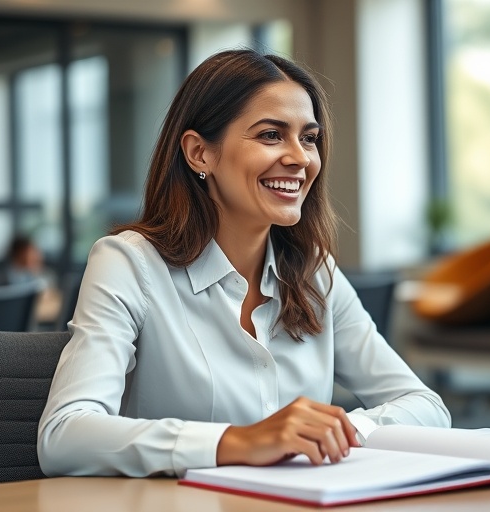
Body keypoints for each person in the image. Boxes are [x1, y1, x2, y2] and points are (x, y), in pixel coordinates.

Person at [37, 49, 451, 478]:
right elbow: (64, 436)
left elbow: (426, 407)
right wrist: (237, 442)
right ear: (200, 153)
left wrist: (340, 431)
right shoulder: (129, 263)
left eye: (309, 138)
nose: (300, 158)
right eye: (271, 135)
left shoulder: (314, 272)